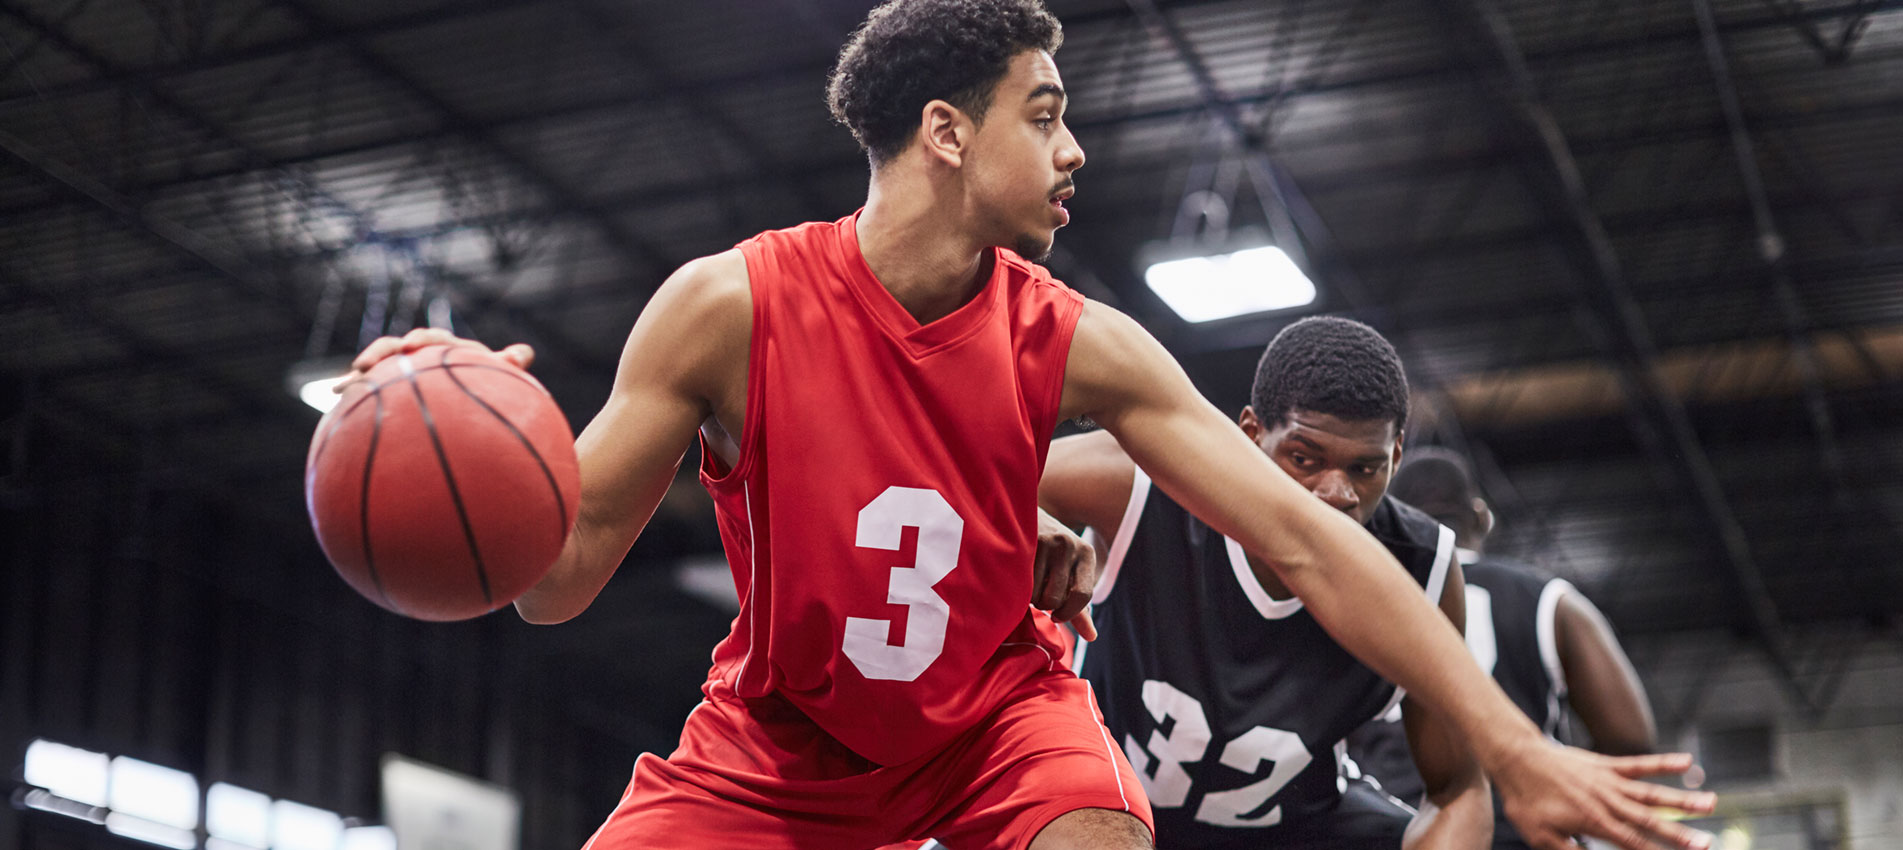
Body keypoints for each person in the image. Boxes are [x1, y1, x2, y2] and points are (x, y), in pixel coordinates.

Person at [338, 2, 1712, 848]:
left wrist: (1511, 739)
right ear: (943, 131)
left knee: (1094, 830)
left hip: (997, 717)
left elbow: (1299, 535)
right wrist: (467, 443)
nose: (1073, 151)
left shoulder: (1080, 344)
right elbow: (554, 584)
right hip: (774, 742)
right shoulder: (727, 309)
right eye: (1043, 114)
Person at [1039, 316, 1487, 849]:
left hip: (1295, 827)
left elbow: (1457, 786)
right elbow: (985, 477)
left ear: (1395, 457)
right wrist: (1028, 513)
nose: (1337, 493)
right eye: (1305, 459)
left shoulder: (1424, 567)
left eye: (1365, 469)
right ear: (1250, 434)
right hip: (1107, 806)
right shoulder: (1147, 482)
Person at [1348, 449, 1660, 850]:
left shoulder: (1355, 604)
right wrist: (1559, 781)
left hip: (1403, 833)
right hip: (1526, 831)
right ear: (1481, 516)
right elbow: (1630, 737)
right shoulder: (1550, 600)